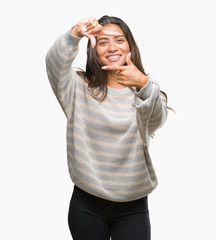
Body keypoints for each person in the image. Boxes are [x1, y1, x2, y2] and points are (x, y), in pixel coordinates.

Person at [45, 15, 170, 240]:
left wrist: (142, 83)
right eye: (103, 42)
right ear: (94, 49)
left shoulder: (146, 91)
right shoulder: (78, 89)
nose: (112, 47)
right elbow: (54, 64)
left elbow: (156, 121)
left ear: (130, 45)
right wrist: (74, 33)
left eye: (119, 40)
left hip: (133, 208)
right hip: (86, 204)